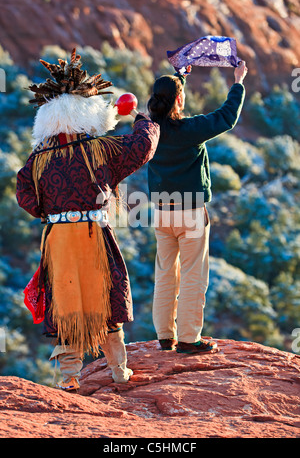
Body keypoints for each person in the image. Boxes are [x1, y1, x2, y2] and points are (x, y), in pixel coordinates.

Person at [16, 48, 160, 391]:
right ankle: (119, 372)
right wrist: (142, 117)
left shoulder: (36, 163)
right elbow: (143, 147)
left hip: (57, 240)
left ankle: (69, 378)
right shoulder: (100, 149)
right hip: (94, 233)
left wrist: (51, 211)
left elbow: (27, 200)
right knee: (105, 301)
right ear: (88, 112)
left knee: (66, 307)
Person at [147, 61, 247, 354]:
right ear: (179, 99)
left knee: (165, 273)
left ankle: (165, 336)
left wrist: (180, 78)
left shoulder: (148, 128)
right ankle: (189, 339)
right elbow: (226, 117)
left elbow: (170, 103)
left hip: (162, 213)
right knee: (193, 274)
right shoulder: (190, 129)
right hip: (190, 212)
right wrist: (238, 82)